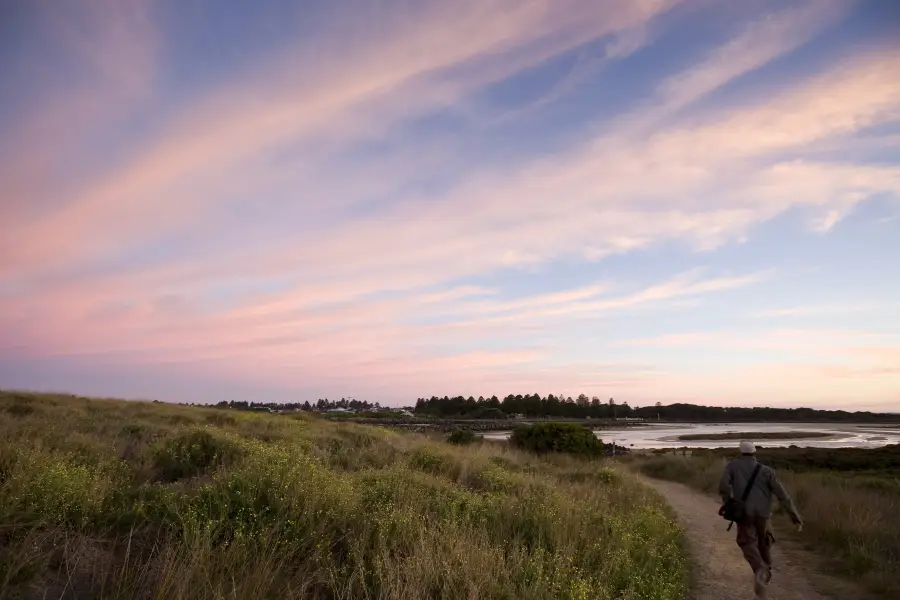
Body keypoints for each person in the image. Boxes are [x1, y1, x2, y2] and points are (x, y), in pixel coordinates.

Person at [719, 440, 803, 598]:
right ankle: (766, 569)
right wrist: (794, 517)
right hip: (764, 514)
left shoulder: (732, 466)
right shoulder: (766, 470)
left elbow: (723, 486)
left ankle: (760, 570)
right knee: (764, 539)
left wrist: (728, 502)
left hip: (744, 513)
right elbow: (782, 495)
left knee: (746, 541)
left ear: (740, 452)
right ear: (754, 452)